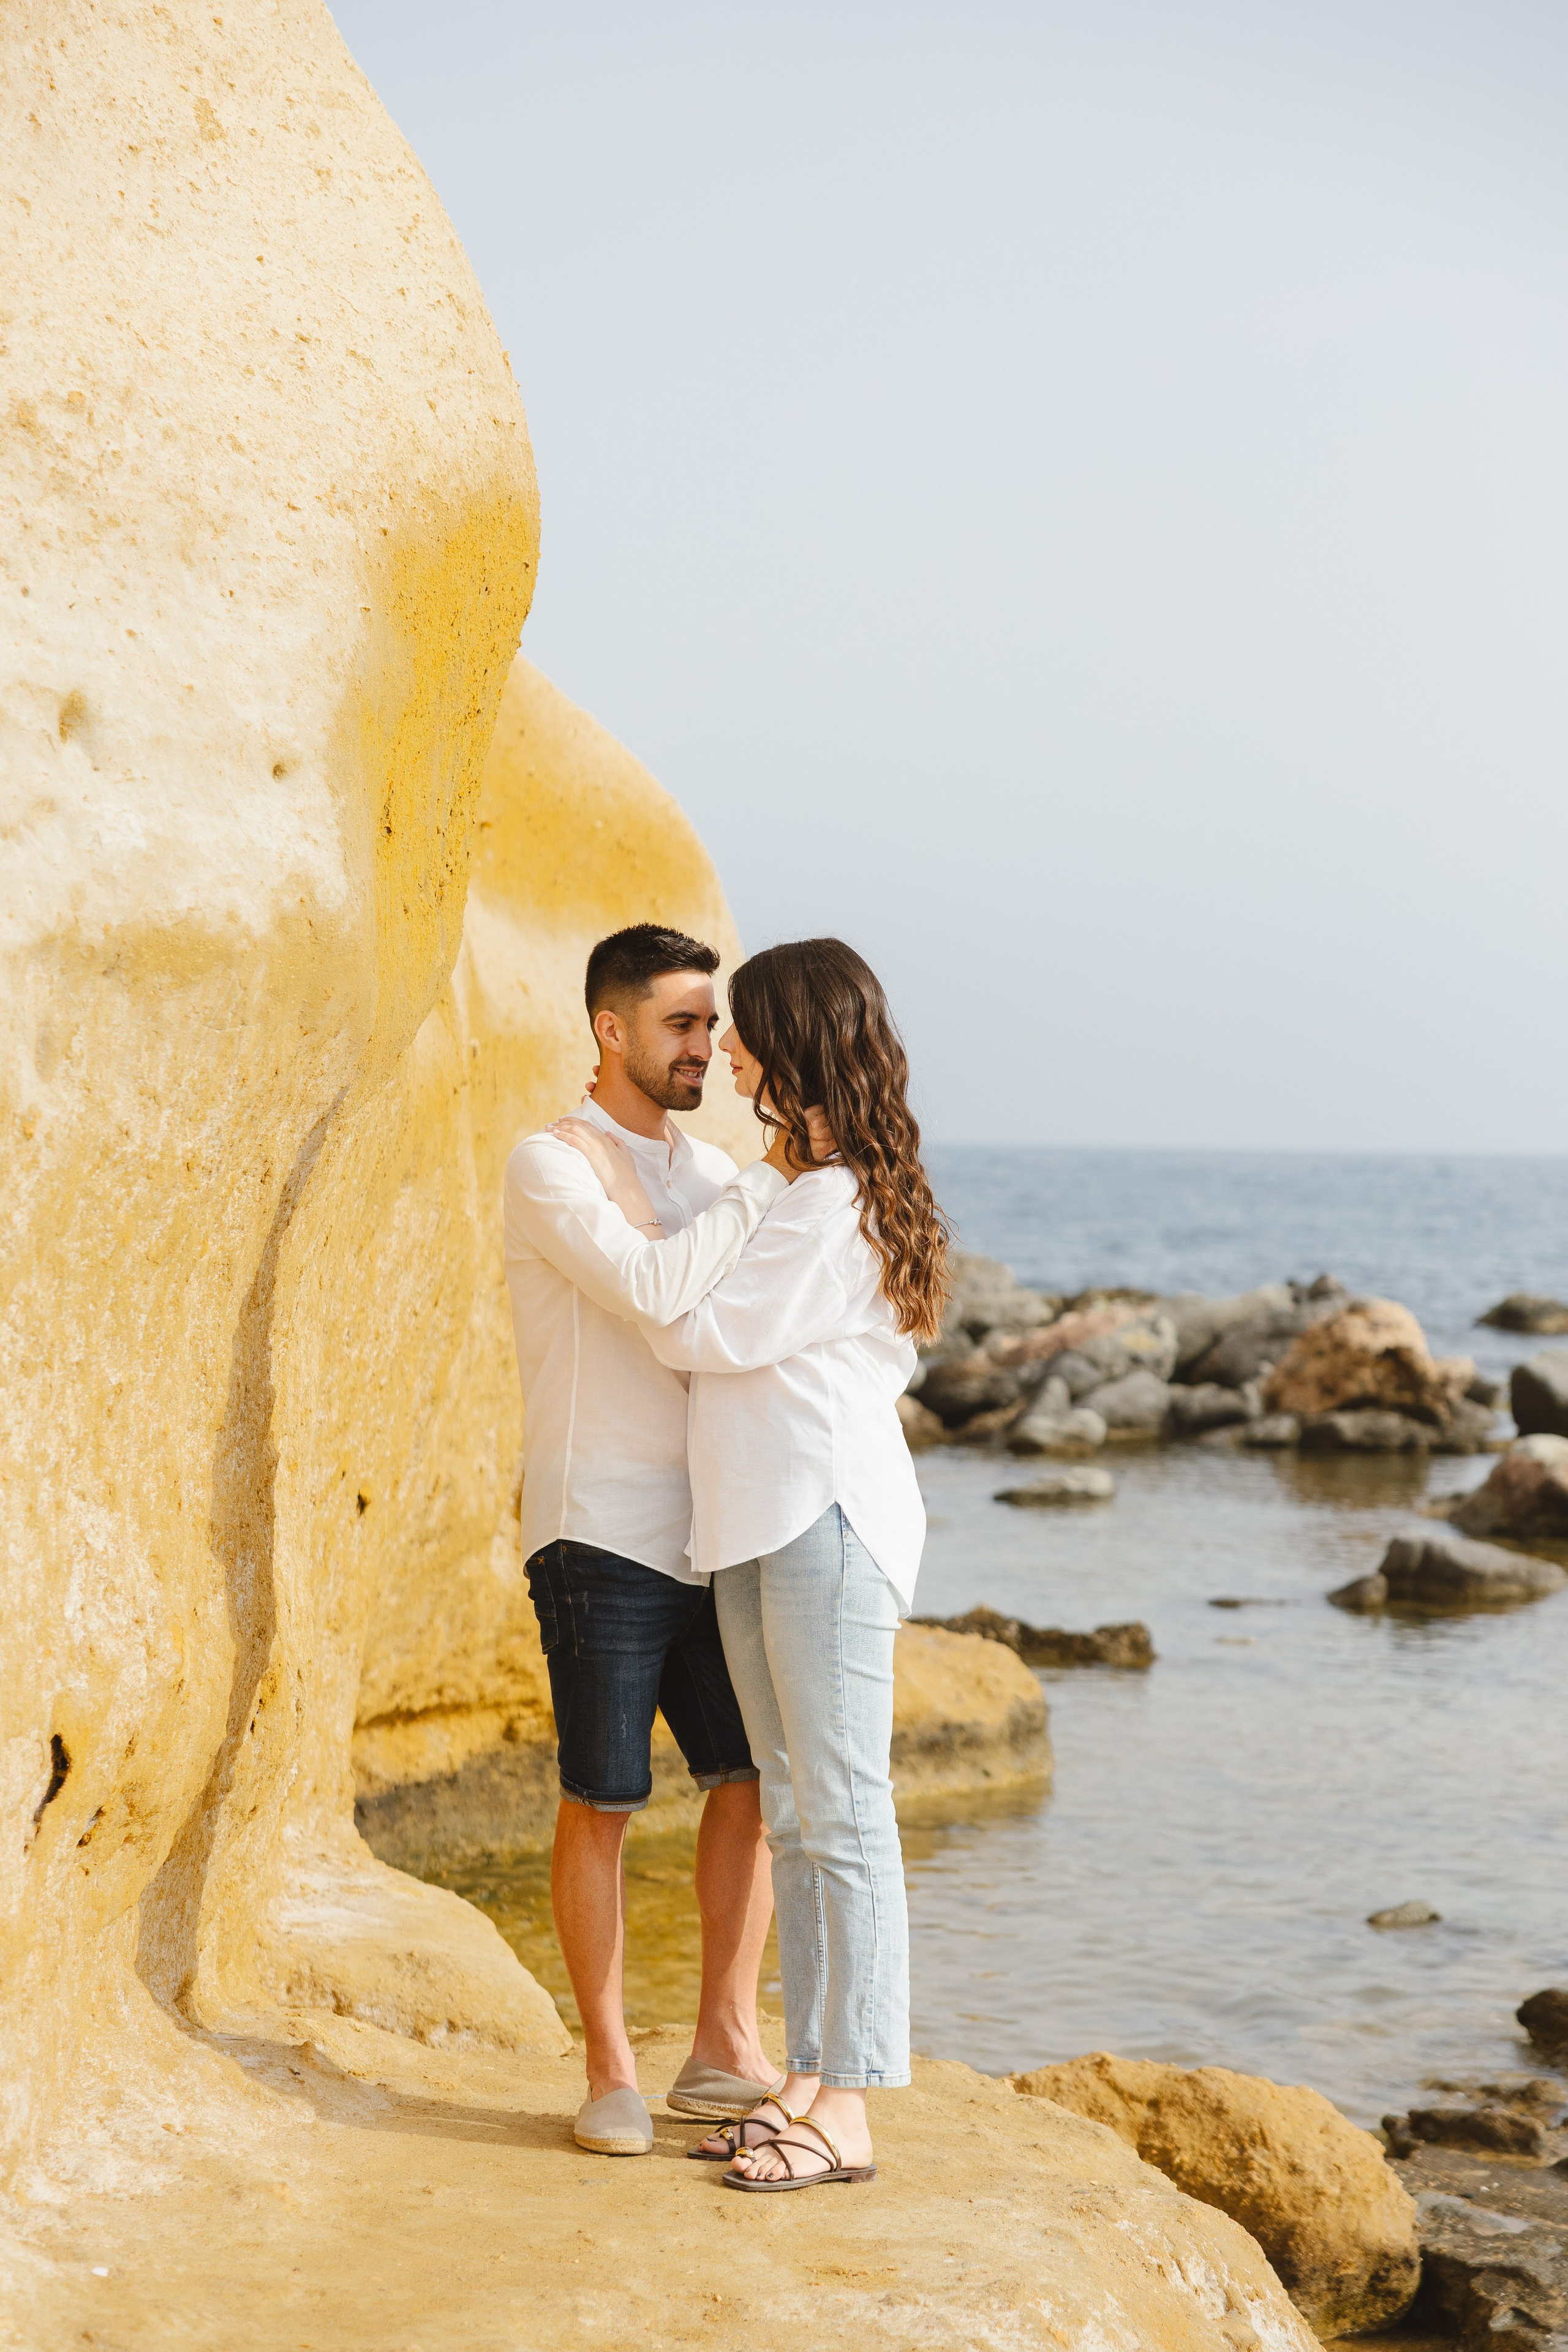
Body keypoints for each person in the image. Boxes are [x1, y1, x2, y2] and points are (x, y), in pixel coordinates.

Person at [551, 936, 950, 2194]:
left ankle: (849, 2108)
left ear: (795, 1041)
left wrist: (692, 1236)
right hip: (763, 1526)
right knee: (802, 1814)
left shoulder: (825, 1201)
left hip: (821, 1519)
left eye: (744, 1029)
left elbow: (691, 1329)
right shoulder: (801, 1189)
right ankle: (810, 2083)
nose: (724, 1048)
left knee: (840, 1816)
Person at [502, 923, 796, 2158]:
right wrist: (766, 1190)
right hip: (599, 1531)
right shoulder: (549, 1165)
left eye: (709, 1023)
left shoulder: (708, 1175)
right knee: (603, 1800)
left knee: (750, 1781)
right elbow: (659, 1291)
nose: (705, 1045)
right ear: (607, 1030)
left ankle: (723, 2044)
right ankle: (608, 2069)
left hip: (714, 1530)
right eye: (679, 1023)